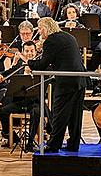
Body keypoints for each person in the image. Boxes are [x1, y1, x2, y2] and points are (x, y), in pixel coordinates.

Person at [24, 17, 87, 153]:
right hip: (80, 79)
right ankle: (73, 143)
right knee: (75, 115)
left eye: (40, 28)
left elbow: (42, 64)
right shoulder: (68, 36)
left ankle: (53, 145)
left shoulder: (51, 41)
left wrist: (29, 62)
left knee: (59, 114)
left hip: (66, 82)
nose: (39, 31)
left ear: (46, 28)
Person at [0, 40, 42, 152]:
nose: (29, 53)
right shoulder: (19, 66)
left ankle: (30, 142)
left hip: (34, 102)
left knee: (36, 112)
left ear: (36, 52)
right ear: (22, 52)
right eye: (26, 51)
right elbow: (8, 73)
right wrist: (0, 74)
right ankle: (10, 135)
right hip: (19, 102)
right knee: (2, 112)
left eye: (32, 51)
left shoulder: (39, 66)